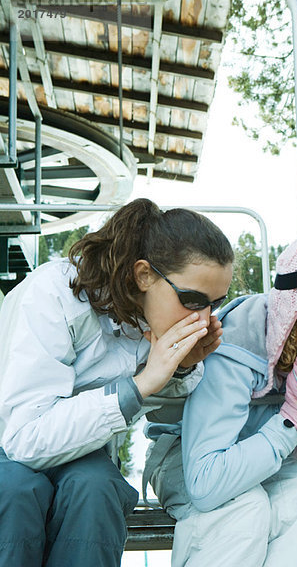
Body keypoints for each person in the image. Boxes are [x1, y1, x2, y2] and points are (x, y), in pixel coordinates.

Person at [0, 198, 234, 567]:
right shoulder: (51, 295)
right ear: (144, 275)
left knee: (98, 491)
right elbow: (24, 439)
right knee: (16, 493)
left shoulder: (150, 316)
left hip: (78, 452)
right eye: (192, 300)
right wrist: (139, 386)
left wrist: (181, 369)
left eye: (216, 304)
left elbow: (164, 413)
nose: (203, 319)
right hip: (8, 441)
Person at [144, 225, 297, 567]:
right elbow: (205, 485)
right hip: (186, 461)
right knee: (244, 509)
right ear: (289, 319)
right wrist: (292, 420)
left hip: (273, 464)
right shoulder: (235, 345)